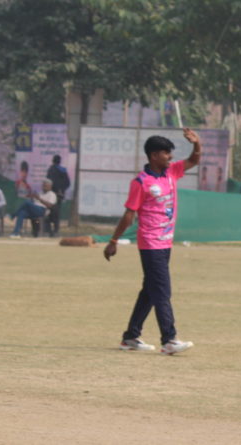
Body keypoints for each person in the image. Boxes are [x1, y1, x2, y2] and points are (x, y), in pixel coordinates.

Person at [103, 129, 203, 355]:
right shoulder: (141, 182)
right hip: (150, 243)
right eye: (166, 153)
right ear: (154, 155)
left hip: (166, 243)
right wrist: (114, 240)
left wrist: (197, 143)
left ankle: (130, 337)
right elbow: (129, 214)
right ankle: (169, 339)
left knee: (150, 291)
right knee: (162, 291)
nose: (170, 157)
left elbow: (194, 160)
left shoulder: (172, 172)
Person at [46, 154, 71, 235]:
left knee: (49, 211)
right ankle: (55, 229)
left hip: (51, 194)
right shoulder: (63, 170)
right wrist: (61, 190)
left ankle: (49, 229)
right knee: (56, 212)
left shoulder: (50, 169)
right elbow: (67, 183)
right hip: (59, 194)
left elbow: (48, 181)